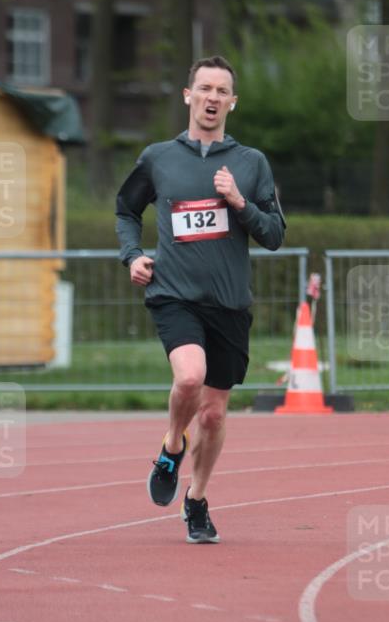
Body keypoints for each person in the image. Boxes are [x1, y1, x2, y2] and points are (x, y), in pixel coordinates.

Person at [115, 55, 285, 543]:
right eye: (204, 89)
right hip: (175, 295)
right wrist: (132, 255)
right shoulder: (158, 158)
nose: (212, 98)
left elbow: (274, 234)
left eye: (222, 91)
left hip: (229, 303)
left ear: (233, 102)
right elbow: (127, 209)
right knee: (189, 377)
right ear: (188, 96)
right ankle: (171, 448)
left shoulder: (251, 163)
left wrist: (240, 203)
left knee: (213, 413)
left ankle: (196, 500)